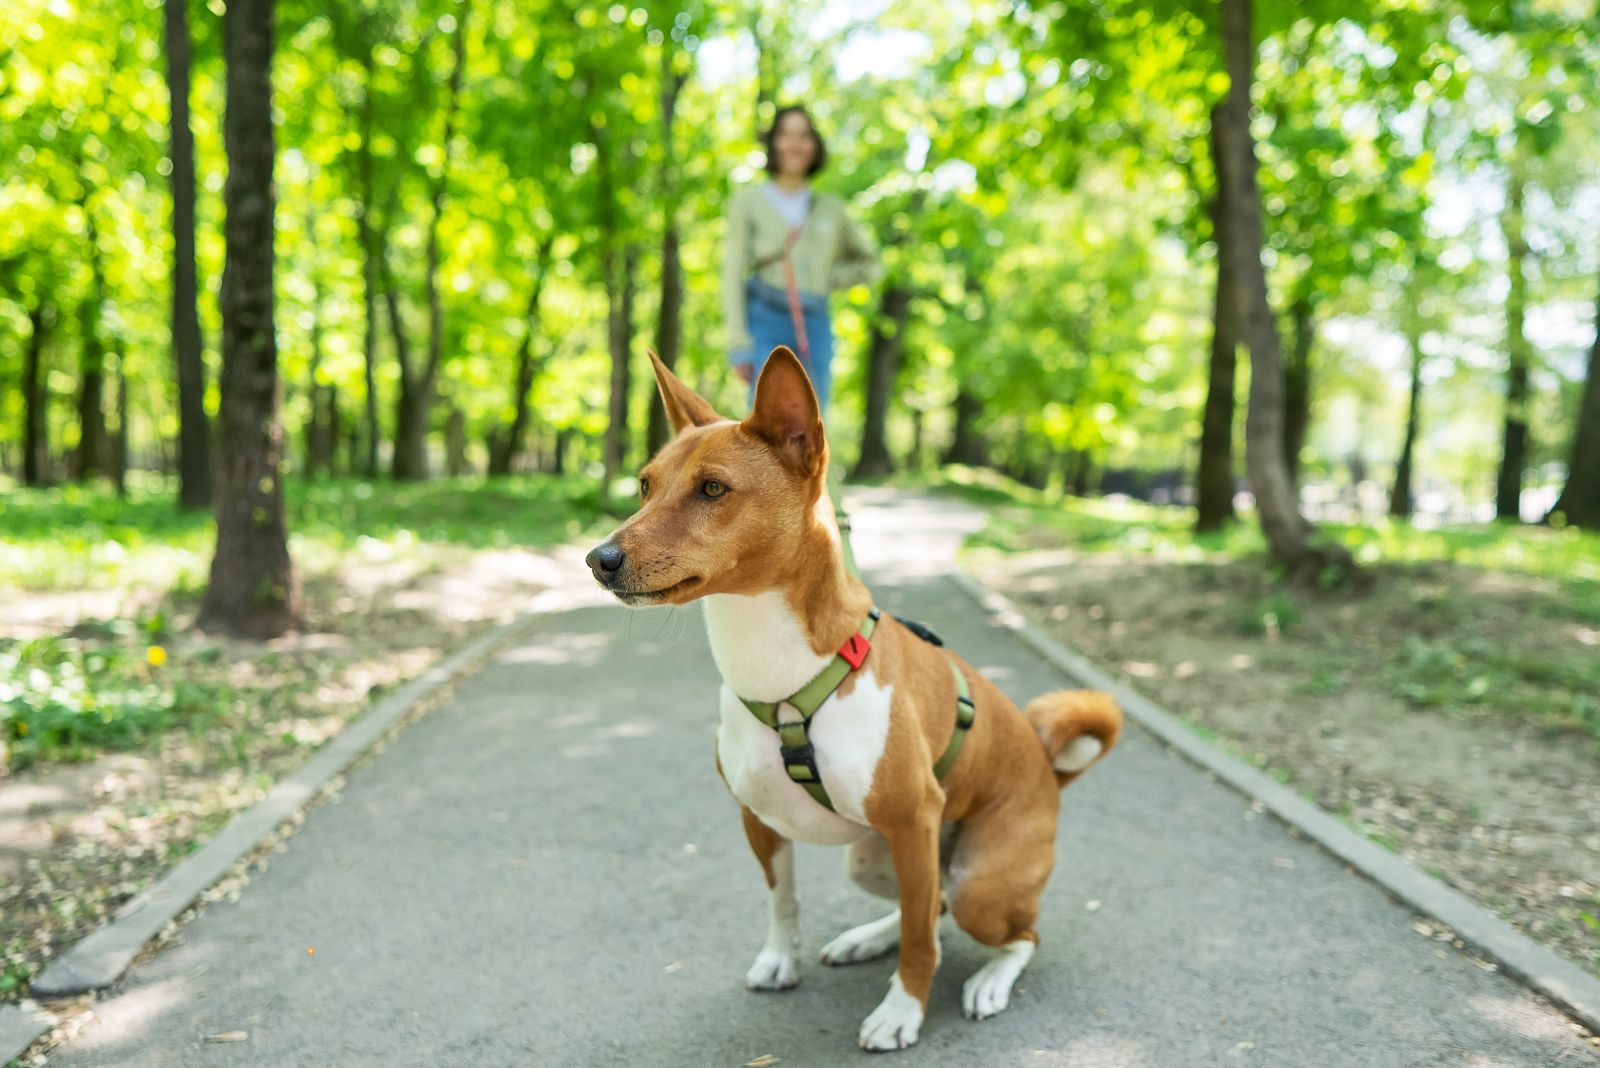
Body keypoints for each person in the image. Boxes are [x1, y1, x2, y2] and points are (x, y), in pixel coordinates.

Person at [721, 105, 882, 412]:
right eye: (785, 134)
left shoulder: (831, 209)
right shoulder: (749, 201)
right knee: (764, 420)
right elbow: (731, 273)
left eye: (804, 135)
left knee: (813, 419)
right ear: (773, 143)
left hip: (815, 321)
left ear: (815, 145)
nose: (794, 143)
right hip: (764, 315)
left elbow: (872, 263)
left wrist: (829, 278)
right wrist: (738, 343)